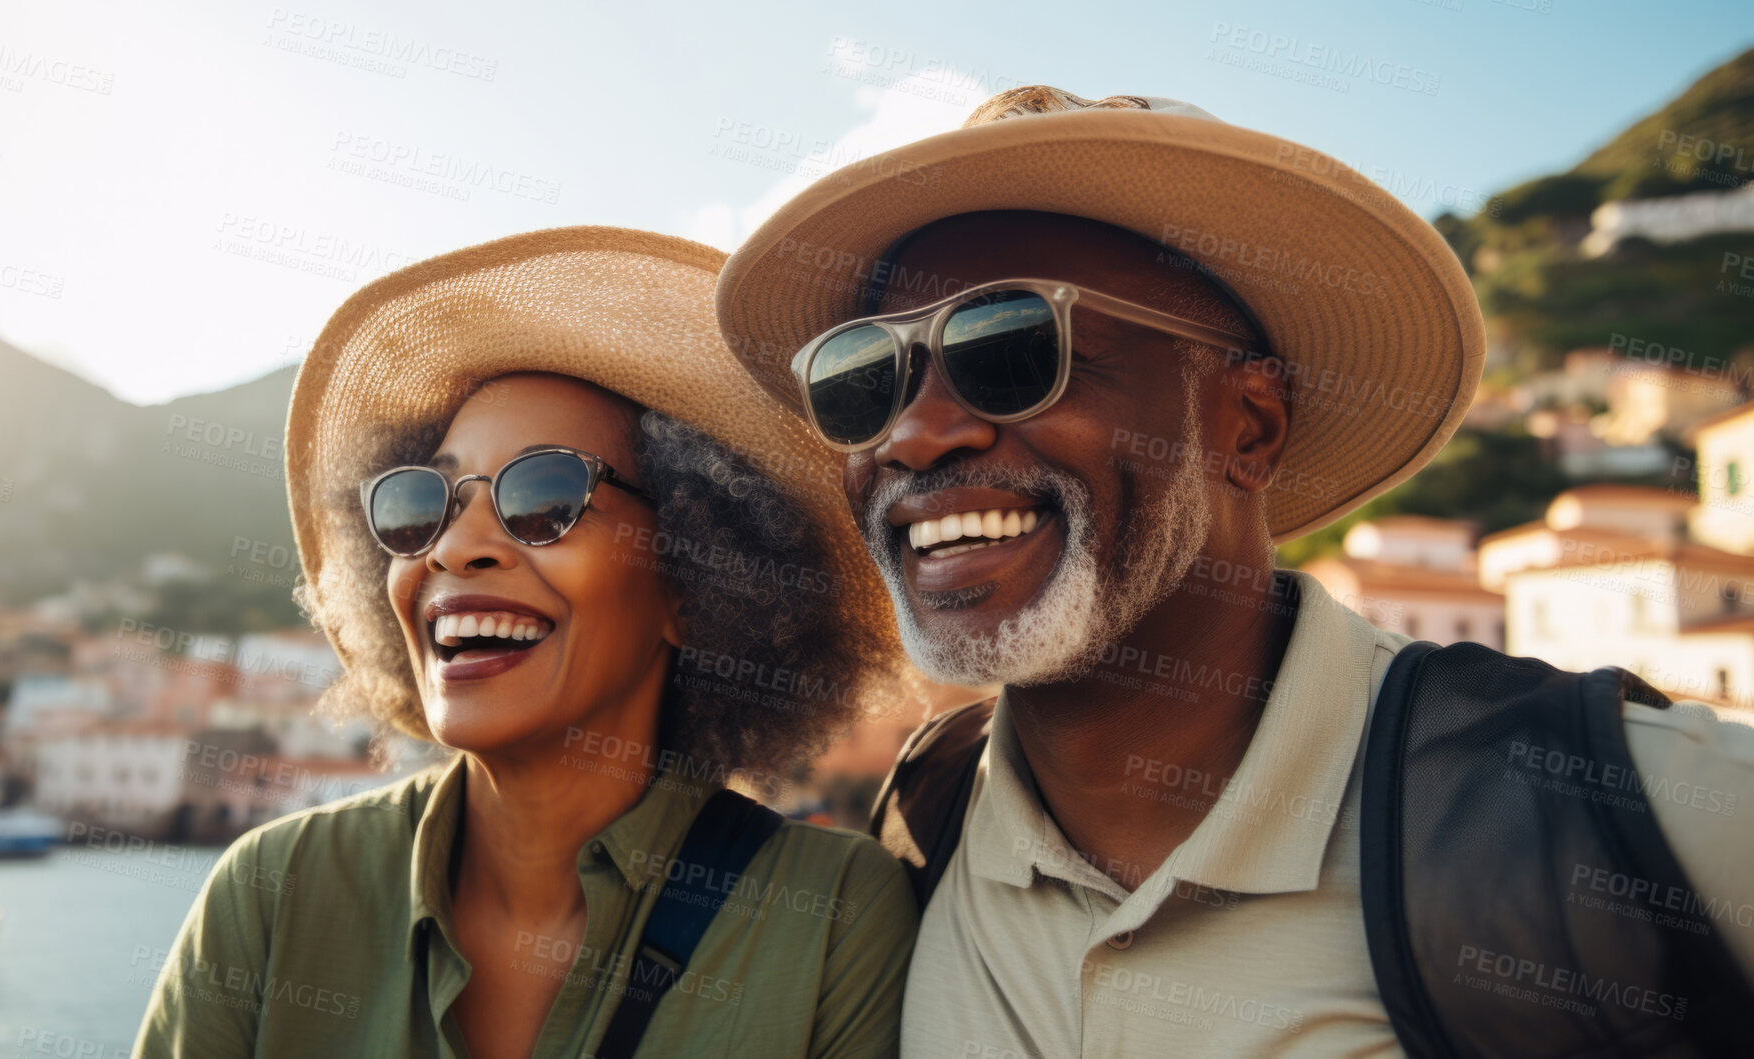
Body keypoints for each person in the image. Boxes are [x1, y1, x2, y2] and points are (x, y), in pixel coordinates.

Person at [714, 86, 1754, 1056]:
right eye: (863, 379)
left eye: (1011, 347)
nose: (915, 434)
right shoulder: (923, 822)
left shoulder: (1648, 807)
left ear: (1247, 426)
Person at [133, 227, 919, 1058]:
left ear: (692, 580)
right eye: (422, 505)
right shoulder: (272, 893)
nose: (451, 546)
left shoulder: (834, 920)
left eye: (544, 496)